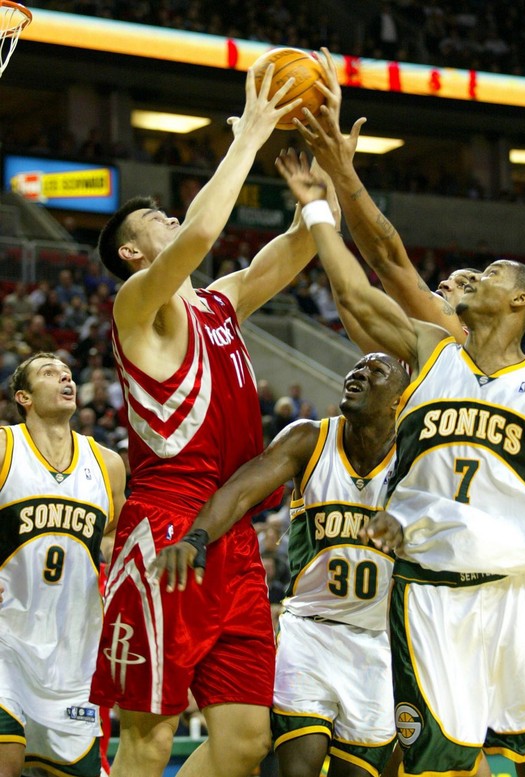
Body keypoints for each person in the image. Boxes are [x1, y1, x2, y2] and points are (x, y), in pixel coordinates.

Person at [274, 150, 525, 777]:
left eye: (489, 273)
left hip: (511, 591)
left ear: (520, 300)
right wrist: (313, 207)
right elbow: (358, 290)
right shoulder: (430, 351)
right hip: (429, 595)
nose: (470, 281)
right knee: (438, 767)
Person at [89, 65, 334, 777]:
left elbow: (298, 244)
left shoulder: (221, 303)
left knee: (244, 742)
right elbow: (199, 232)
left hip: (231, 534)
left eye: (168, 213)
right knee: (150, 738)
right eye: (153, 222)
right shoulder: (137, 309)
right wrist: (250, 134)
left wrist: (319, 182)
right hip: (164, 528)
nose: (170, 219)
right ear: (133, 254)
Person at [154, 352, 410, 777]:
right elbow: (240, 492)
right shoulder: (309, 439)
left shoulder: (413, 459)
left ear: (399, 400)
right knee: (297, 768)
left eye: (376, 372)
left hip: (379, 642)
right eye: (357, 367)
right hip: (309, 632)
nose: (358, 373)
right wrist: (197, 536)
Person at [297, 48, 475, 350]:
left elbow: (388, 258)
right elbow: (350, 298)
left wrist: (339, 167)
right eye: (452, 279)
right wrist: (326, 145)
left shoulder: (464, 341)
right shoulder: (411, 347)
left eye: (464, 285)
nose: (445, 283)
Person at [0, 351, 126, 777]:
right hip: (6, 642)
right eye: (49, 373)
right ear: (25, 397)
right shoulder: (5, 447)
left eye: (67, 373)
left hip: (73, 653)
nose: (64, 378)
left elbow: (114, 533)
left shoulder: (106, 464)